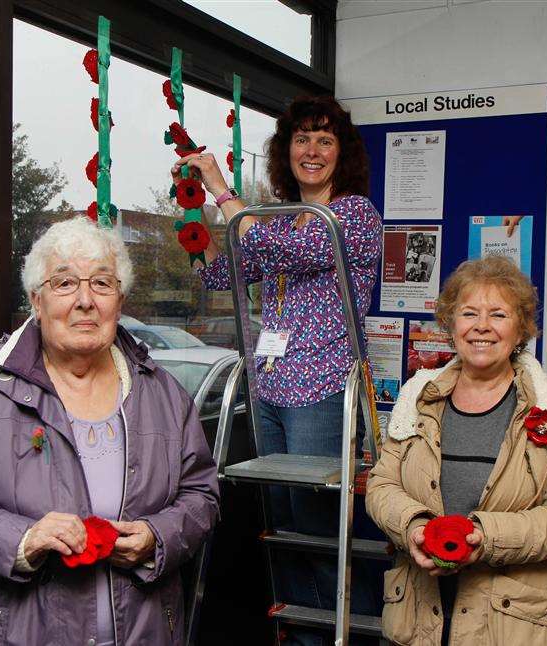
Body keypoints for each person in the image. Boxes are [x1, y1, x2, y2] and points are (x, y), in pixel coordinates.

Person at [0, 217, 220, 646]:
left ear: (120, 301)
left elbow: (201, 496)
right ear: (37, 299)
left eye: (102, 284)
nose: (85, 300)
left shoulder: (161, 391)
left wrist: (157, 537)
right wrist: (23, 539)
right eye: (66, 283)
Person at [172, 95, 382, 644]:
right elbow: (218, 276)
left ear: (343, 153)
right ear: (287, 151)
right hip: (269, 387)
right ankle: (302, 638)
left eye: (325, 140)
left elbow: (276, 251)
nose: (311, 151)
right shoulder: (277, 219)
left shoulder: (353, 215)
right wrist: (191, 220)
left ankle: (347, 638)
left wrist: (220, 188)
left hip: (320, 389)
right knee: (283, 530)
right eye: (302, 139)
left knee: (320, 532)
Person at [365, 255, 547, 646]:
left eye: (499, 315)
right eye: (469, 312)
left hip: (514, 627)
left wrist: (484, 537)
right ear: (451, 323)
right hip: (419, 619)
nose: (482, 327)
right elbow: (381, 485)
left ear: (521, 328)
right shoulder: (417, 397)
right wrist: (414, 528)